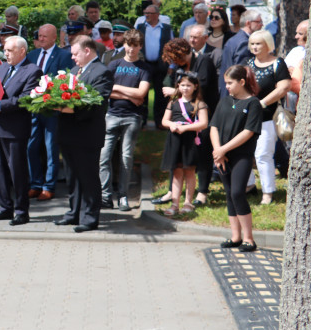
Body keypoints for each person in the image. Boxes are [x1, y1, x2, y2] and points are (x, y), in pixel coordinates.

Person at [55, 37, 114, 232]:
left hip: (87, 134)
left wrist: (66, 109)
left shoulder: (102, 72)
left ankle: (90, 217)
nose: (72, 58)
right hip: (69, 133)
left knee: (88, 176)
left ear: (87, 51)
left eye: (75, 53)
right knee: (72, 176)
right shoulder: (74, 72)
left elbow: (96, 103)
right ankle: (74, 213)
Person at [0, 36, 42, 226]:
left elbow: (25, 99)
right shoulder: (2, 67)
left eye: (9, 50)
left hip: (15, 129)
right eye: (5, 50)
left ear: (22, 51)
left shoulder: (32, 70)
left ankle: (21, 211)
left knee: (17, 171)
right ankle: (4, 207)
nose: (6, 53)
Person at [211, 65, 263, 252]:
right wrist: (218, 151)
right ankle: (236, 236)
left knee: (237, 193)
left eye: (230, 83)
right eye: (225, 83)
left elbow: (248, 132)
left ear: (242, 82)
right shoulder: (224, 101)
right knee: (229, 193)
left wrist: (223, 149)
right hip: (222, 155)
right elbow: (214, 126)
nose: (227, 87)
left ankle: (249, 238)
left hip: (241, 155)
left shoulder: (253, 104)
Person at [99, 29, 150, 211]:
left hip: (132, 117)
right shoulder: (114, 65)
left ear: (140, 46)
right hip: (112, 114)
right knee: (104, 157)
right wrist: (130, 96)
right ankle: (105, 196)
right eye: (129, 45)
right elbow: (105, 90)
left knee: (126, 158)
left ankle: (123, 196)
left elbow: (141, 93)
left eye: (135, 46)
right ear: (124, 45)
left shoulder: (144, 68)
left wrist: (118, 89)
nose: (131, 49)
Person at [26, 24, 73, 201]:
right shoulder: (32, 55)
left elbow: (65, 81)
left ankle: (48, 186)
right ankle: (35, 183)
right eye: (39, 36)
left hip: (52, 110)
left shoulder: (64, 55)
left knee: (50, 147)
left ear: (54, 38)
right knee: (31, 146)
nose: (41, 39)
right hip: (33, 108)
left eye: (45, 36)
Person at [246, 29, 291, 205]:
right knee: (245, 153)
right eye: (252, 43)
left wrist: (262, 103)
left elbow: (283, 87)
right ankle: (249, 186)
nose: (255, 47)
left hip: (268, 117)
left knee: (263, 155)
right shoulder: (248, 63)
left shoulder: (278, 63)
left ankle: (268, 192)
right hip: (248, 116)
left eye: (259, 43)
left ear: (268, 45)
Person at [159, 73, 209, 216]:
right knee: (176, 171)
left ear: (195, 87)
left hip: (190, 141)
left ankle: (188, 202)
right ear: (178, 86)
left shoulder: (199, 104)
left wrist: (185, 128)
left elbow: (204, 123)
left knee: (189, 171)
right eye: (182, 85)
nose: (185, 88)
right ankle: (175, 203)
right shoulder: (173, 103)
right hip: (175, 140)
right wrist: (172, 125)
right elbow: (164, 121)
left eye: (188, 85)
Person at [139, 0, 174, 125]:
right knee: (142, 94)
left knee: (160, 94)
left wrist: (172, 65)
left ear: (157, 15)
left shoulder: (166, 29)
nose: (146, 15)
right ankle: (142, 121)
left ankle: (159, 122)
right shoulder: (140, 27)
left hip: (161, 65)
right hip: (145, 64)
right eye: (145, 13)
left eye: (149, 13)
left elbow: (171, 47)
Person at [219, 8, 262, 98]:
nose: (262, 25)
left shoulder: (233, 39)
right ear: (248, 23)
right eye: (258, 22)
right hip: (236, 94)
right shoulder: (245, 42)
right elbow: (240, 71)